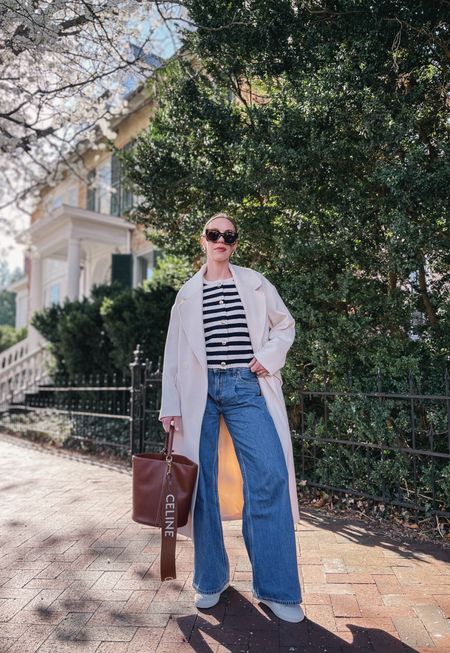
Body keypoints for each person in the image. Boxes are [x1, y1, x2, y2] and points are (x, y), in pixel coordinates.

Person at [159, 212, 304, 623]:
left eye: (229, 235)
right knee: (201, 484)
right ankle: (211, 579)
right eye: (213, 233)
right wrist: (170, 406)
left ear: (235, 242)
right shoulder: (187, 294)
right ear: (202, 240)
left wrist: (268, 358)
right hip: (199, 393)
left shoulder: (255, 282)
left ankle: (277, 589)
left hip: (245, 387)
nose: (221, 239)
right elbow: (173, 355)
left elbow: (284, 325)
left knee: (270, 476)